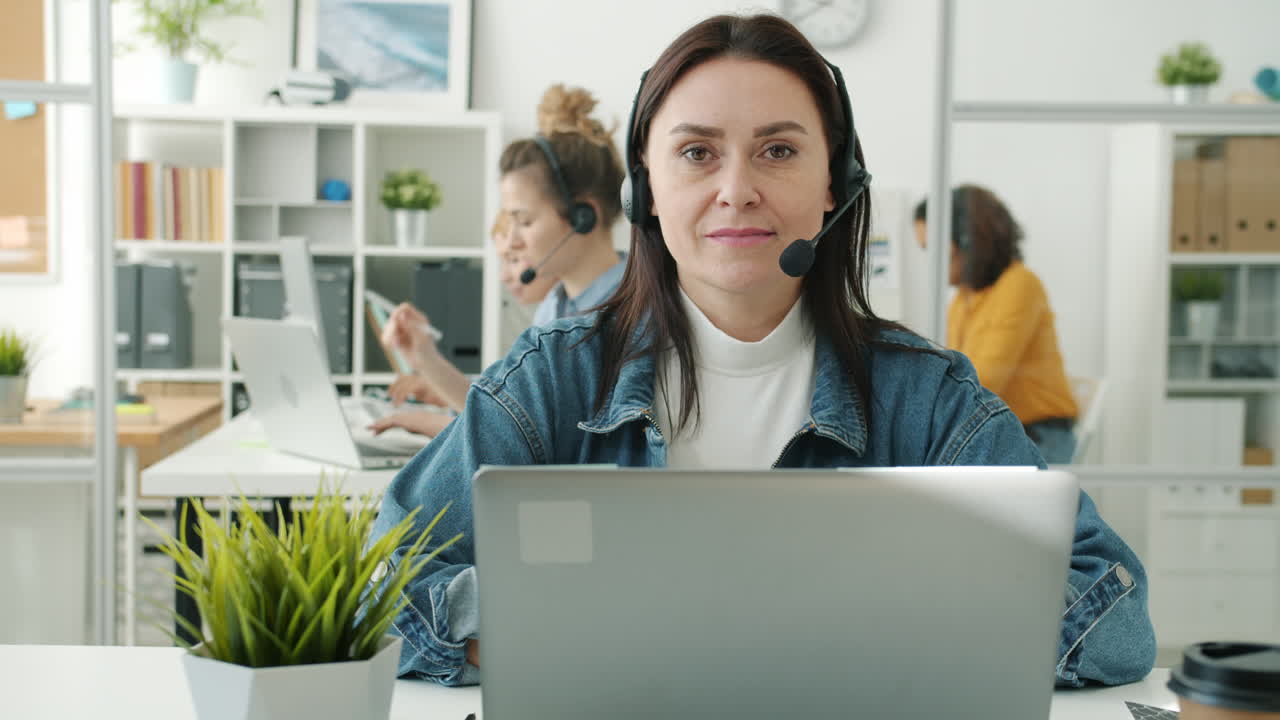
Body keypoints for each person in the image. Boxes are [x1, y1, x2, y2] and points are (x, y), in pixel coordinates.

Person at [370, 13, 1155, 689]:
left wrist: (794, 644)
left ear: (832, 184)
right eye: (697, 152)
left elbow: (1112, 606)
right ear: (645, 188)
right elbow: (380, 585)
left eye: (778, 151)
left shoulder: (926, 398)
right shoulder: (553, 378)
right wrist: (558, 630)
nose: (737, 188)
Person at [378, 83, 628, 417]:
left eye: (523, 221)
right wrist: (424, 357)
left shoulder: (630, 315)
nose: (512, 242)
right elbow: (506, 415)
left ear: (584, 218)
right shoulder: (557, 306)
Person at [913, 186, 1080, 464]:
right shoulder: (963, 297)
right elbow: (950, 373)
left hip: (1038, 434)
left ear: (966, 242)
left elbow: (981, 381)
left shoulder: (1020, 285)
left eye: (933, 248)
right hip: (998, 428)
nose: (930, 261)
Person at [367, 212, 557, 438]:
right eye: (503, 260)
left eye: (514, 259)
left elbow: (506, 432)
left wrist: (420, 421)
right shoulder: (548, 315)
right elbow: (499, 412)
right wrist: (426, 363)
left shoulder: (560, 325)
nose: (503, 276)